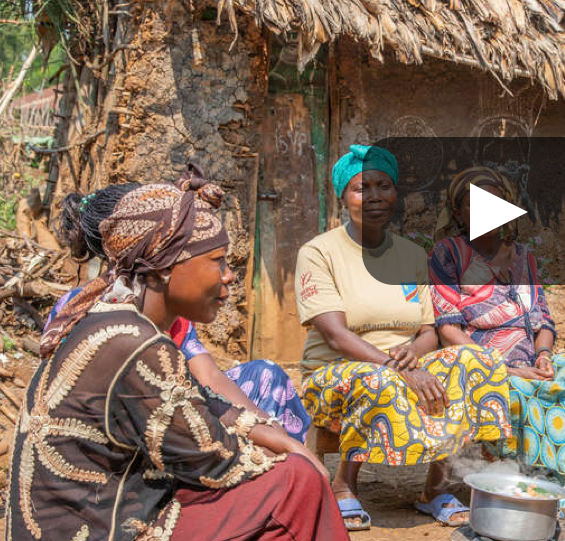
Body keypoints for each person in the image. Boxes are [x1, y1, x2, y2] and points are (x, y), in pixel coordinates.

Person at [7, 167, 346, 541]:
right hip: (104, 529)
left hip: (107, 512)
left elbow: (203, 400)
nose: (229, 275)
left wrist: (266, 431)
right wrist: (290, 452)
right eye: (217, 260)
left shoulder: (114, 324)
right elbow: (214, 457)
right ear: (166, 267)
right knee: (297, 481)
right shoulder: (134, 343)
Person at [296, 145, 512, 530]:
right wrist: (398, 367)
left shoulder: (412, 254)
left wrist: (412, 354)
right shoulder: (319, 253)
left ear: (396, 193)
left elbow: (429, 330)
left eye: (385, 185)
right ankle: (345, 486)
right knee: (377, 378)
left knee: (477, 360)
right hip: (335, 372)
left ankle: (436, 489)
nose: (375, 195)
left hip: (403, 363)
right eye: (362, 188)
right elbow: (335, 335)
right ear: (343, 196)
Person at [51, 183, 312, 442]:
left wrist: (271, 430)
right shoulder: (88, 314)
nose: (228, 276)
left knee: (265, 376)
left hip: (176, 402)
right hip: (125, 429)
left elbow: (206, 376)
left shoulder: (164, 303)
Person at [431, 166, 557, 380]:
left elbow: (544, 319)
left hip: (530, 366)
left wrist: (543, 356)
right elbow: (448, 331)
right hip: (479, 368)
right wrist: (508, 372)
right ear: (458, 213)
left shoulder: (524, 257)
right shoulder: (448, 254)